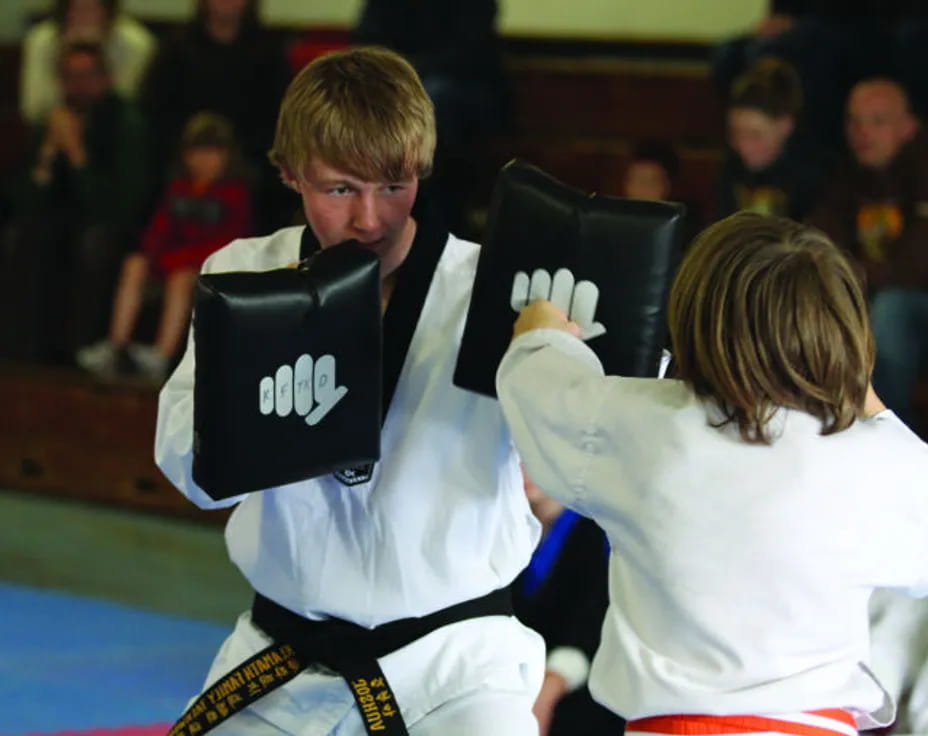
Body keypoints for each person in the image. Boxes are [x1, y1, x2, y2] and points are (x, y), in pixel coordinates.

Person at [155, 46, 544, 734]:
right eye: (340, 189)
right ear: (288, 174)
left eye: (393, 184)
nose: (371, 218)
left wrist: (554, 367)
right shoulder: (247, 277)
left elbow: (598, 454)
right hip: (281, 659)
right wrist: (254, 398)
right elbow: (193, 476)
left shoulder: (497, 292)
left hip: (455, 671)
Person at [497, 212, 928, 733]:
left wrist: (539, 335)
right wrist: (861, 392)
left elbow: (536, 386)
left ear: (694, 317)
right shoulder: (880, 462)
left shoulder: (641, 422)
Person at [0, 39, 148, 363]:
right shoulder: (50, 122)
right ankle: (19, 351)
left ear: (106, 78)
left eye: (87, 75)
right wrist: (46, 157)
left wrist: (78, 155)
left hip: (108, 224)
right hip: (58, 222)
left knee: (92, 242)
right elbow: (24, 203)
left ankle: (76, 353)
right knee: (22, 234)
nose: (78, 84)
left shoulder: (125, 123)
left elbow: (118, 206)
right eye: (69, 76)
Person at [76, 112, 252, 382]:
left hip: (205, 270)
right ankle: (117, 345)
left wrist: (179, 259)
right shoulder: (179, 189)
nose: (204, 160)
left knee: (181, 279)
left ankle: (160, 355)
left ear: (227, 155)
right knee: (135, 264)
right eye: (197, 152)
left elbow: (229, 242)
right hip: (169, 264)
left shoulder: (234, 194)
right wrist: (157, 257)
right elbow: (158, 231)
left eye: (212, 152)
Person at [809, 78, 928, 428]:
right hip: (870, 299)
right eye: (855, 121)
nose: (863, 133)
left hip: (912, 305)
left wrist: (857, 271)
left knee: (890, 308)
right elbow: (820, 250)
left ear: (908, 127)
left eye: (877, 121)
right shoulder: (844, 172)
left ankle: (890, 431)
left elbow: (916, 268)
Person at [140, 0, 291, 233]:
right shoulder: (175, 49)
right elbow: (156, 114)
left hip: (252, 165)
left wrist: (230, 157)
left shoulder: (269, 51)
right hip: (183, 161)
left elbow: (282, 117)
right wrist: (196, 153)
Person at [514, 477, 623, 736]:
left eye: (531, 458)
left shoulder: (599, 531)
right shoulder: (510, 527)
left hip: (581, 697)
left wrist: (549, 688)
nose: (523, 471)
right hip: (519, 685)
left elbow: (593, 622)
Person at [716, 57, 824, 222]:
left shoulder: (817, 178)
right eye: (736, 133)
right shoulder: (731, 169)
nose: (744, 147)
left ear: (786, 126)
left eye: (755, 135)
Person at [20, 0, 156, 125]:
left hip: (115, 127)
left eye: (92, 9)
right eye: (76, 9)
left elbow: (127, 102)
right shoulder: (43, 40)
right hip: (55, 124)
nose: (84, 16)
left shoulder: (136, 44)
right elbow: (33, 107)